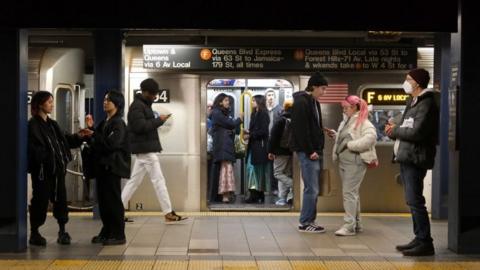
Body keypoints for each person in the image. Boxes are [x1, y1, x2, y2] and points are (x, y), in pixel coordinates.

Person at [27, 91, 93, 246]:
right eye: (49, 102)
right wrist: (45, 160)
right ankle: (34, 232)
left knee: (61, 201)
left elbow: (65, 140)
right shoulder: (33, 125)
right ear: (40, 104)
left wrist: (80, 136)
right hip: (43, 173)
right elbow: (35, 149)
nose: (52, 104)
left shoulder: (53, 124)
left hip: (58, 172)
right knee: (40, 201)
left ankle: (62, 231)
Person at [385, 68, 438, 256]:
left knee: (415, 201)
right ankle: (419, 238)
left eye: (408, 79)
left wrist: (394, 130)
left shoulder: (427, 103)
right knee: (412, 200)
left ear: (417, 83)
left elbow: (417, 132)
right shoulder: (414, 102)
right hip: (407, 156)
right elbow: (407, 127)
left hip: (416, 157)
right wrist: (395, 130)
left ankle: (425, 242)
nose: (406, 82)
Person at [121, 78, 187, 223]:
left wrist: (158, 120)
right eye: (153, 94)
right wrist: (159, 121)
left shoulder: (143, 105)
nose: (155, 96)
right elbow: (140, 127)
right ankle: (168, 212)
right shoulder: (137, 107)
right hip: (145, 150)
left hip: (145, 148)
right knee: (159, 180)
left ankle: (118, 211)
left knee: (134, 182)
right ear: (144, 92)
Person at [328, 95, 377, 236]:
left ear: (354, 107)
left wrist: (350, 145)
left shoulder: (363, 122)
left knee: (349, 194)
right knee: (352, 194)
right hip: (345, 162)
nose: (343, 110)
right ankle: (356, 224)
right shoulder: (348, 121)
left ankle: (349, 226)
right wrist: (337, 135)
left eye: (346, 108)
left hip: (355, 162)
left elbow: (371, 138)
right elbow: (350, 136)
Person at [86, 91, 130, 245]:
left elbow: (111, 144)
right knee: (104, 202)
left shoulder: (118, 123)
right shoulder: (105, 122)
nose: (105, 102)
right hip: (103, 167)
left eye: (109, 100)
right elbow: (98, 139)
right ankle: (107, 231)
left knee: (113, 201)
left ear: (117, 103)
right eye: (104, 99)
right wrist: (91, 129)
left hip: (112, 168)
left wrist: (93, 134)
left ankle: (118, 234)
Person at [290, 72, 327, 233]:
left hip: (315, 150)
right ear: (314, 87)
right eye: (323, 89)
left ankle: (310, 220)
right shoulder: (301, 103)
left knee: (314, 187)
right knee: (311, 188)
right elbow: (300, 129)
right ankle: (305, 222)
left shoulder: (313, 102)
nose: (323, 92)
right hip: (308, 151)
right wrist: (310, 150)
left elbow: (311, 125)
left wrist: (322, 131)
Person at [210, 93, 243, 203]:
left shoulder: (223, 113)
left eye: (228, 100)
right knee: (225, 170)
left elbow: (232, 127)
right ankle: (224, 195)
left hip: (225, 146)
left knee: (225, 170)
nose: (228, 102)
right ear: (220, 102)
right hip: (222, 146)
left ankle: (225, 194)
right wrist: (239, 119)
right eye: (226, 100)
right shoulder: (217, 113)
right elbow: (231, 124)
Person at [244, 95, 270, 203]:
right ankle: (257, 194)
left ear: (259, 102)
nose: (252, 103)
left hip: (260, 146)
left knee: (256, 170)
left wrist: (250, 133)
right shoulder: (254, 114)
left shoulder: (264, 114)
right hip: (253, 146)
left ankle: (256, 194)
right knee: (253, 169)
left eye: (254, 100)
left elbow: (264, 131)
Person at [267, 100, 294, 206]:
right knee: (285, 174)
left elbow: (273, 137)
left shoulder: (281, 120)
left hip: (280, 151)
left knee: (277, 173)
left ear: (284, 108)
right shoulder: (295, 120)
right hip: (290, 152)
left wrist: (270, 151)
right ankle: (282, 198)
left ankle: (295, 185)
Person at [265, 88, 282, 195]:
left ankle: (275, 188)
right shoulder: (263, 110)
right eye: (268, 95)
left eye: (272, 95)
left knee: (276, 166)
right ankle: (267, 187)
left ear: (275, 97)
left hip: (276, 141)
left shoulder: (280, 110)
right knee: (266, 165)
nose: (270, 97)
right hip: (265, 140)